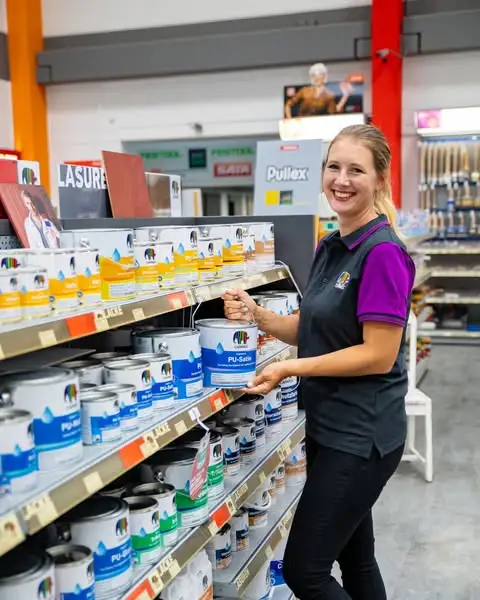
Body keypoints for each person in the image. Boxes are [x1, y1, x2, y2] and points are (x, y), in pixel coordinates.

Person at [223, 124, 415, 600]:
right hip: (330, 429)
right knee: (356, 559)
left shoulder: (383, 253)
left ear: (380, 179)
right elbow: (313, 329)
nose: (341, 180)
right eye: (334, 167)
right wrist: (258, 314)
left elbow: (377, 355)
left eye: (356, 170)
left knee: (305, 571)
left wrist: (288, 368)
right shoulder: (332, 244)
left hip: (362, 437)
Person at [284, 62, 353, 118]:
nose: (317, 77)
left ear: (324, 77)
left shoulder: (329, 95)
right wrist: (289, 120)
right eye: (314, 75)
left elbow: (334, 112)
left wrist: (345, 96)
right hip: (301, 123)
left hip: (318, 125)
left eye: (320, 74)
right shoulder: (304, 91)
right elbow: (288, 105)